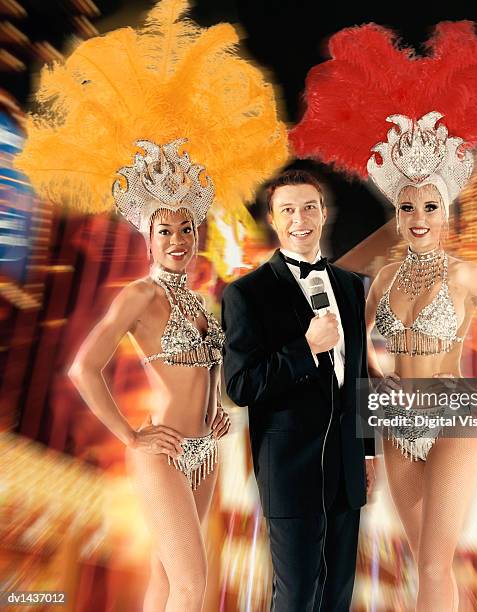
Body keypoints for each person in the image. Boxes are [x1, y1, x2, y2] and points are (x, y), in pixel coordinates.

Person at [15, 2, 288, 610]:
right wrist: (132, 436)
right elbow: (83, 369)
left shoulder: (196, 300)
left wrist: (217, 416)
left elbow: (210, 371)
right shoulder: (139, 295)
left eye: (185, 229)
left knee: (170, 584)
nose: (177, 239)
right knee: (193, 586)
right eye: (164, 230)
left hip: (204, 450)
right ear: (148, 235)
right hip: (162, 452)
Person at [291, 22, 477, 611]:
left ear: (445, 209)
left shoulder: (465, 276)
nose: (419, 216)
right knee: (420, 561)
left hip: (452, 414)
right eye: (408, 207)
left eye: (430, 205)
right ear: (399, 213)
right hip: (395, 422)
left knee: (435, 561)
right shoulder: (381, 279)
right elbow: (352, 347)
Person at [222, 169, 375, 611]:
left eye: (309, 207)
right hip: (289, 468)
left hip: (346, 466)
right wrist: (305, 348)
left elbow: (360, 375)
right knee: (297, 595)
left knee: (337, 595)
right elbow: (240, 385)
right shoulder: (247, 294)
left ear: (324, 213)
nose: (300, 219)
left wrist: (366, 451)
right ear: (273, 218)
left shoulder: (350, 287)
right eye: (288, 210)